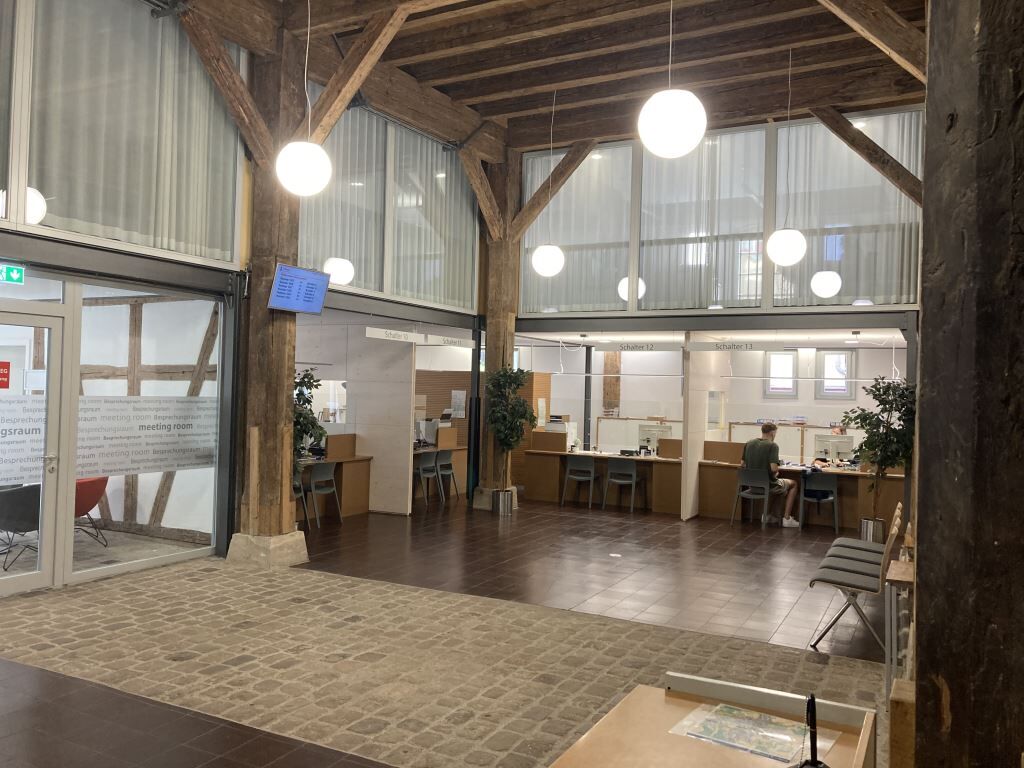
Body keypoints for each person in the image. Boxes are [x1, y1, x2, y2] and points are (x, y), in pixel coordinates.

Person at [741, 422, 800, 528]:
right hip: (768, 486)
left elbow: (742, 464)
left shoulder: (749, 443)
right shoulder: (773, 445)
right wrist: (776, 473)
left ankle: (767, 516)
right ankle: (787, 518)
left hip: (752, 486)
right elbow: (774, 469)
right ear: (772, 433)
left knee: (777, 486)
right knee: (794, 483)